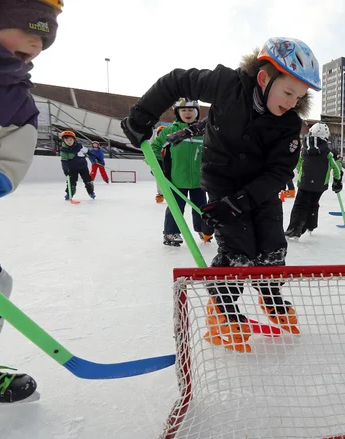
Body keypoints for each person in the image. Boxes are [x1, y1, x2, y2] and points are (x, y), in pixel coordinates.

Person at [121, 37, 320, 347]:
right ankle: (222, 310)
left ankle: (269, 294)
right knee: (237, 251)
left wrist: (244, 200)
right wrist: (142, 115)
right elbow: (177, 81)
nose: (293, 102)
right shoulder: (227, 84)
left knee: (272, 247)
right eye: (288, 92)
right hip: (222, 183)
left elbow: (280, 171)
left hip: (260, 190)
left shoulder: (288, 123)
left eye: (300, 96)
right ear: (264, 78)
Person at [0, 0, 63, 402]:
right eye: (30, 27)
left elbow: (7, 159)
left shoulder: (17, 101)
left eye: (46, 35)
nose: (37, 40)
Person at [151, 98, 213, 246]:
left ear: (197, 112)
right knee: (175, 207)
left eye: (191, 110)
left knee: (201, 207)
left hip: (199, 179)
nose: (187, 113)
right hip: (177, 179)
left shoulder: (203, 133)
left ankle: (202, 230)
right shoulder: (170, 131)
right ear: (178, 113)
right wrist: (158, 166)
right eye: (183, 110)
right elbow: (154, 148)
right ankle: (171, 232)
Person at [284, 122, 342, 239]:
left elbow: (298, 163)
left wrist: (302, 173)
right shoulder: (328, 152)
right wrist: (337, 180)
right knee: (313, 203)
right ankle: (310, 225)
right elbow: (336, 167)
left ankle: (294, 229)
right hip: (320, 184)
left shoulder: (304, 149)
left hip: (304, 182)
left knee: (300, 205)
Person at [59, 130, 95, 200]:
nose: (69, 142)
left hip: (83, 167)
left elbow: (88, 152)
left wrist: (95, 158)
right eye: (67, 140)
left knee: (88, 180)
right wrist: (66, 170)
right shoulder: (63, 150)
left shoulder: (79, 146)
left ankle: (91, 192)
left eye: (70, 140)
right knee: (71, 182)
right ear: (63, 140)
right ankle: (69, 194)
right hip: (72, 168)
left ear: (74, 140)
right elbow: (64, 161)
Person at [153, 125, 167, 203]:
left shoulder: (171, 142)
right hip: (160, 163)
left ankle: (172, 193)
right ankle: (160, 194)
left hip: (169, 164)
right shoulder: (156, 143)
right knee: (159, 179)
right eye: (159, 133)